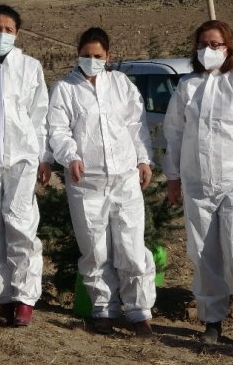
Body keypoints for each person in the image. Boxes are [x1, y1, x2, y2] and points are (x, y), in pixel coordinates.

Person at [162, 20, 233, 346]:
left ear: (229, 47)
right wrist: (173, 178)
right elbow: (174, 134)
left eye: (216, 44)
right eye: (204, 44)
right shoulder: (188, 87)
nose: (209, 50)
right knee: (204, 256)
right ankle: (212, 321)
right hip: (197, 186)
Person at [47, 27, 156, 337]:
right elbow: (57, 130)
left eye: (98, 56)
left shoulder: (121, 85)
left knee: (132, 246)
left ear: (108, 57)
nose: (91, 60)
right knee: (95, 248)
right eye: (86, 55)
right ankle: (103, 309)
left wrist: (143, 159)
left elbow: (136, 125)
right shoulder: (65, 89)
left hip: (125, 178)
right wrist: (70, 156)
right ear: (77, 54)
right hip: (86, 182)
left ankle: (139, 312)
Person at [0, 4, 53, 327]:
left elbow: (39, 115)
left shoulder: (30, 67)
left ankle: (25, 297)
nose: (2, 34)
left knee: (21, 227)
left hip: (22, 160)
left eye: (8, 29)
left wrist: (43, 156)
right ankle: (2, 296)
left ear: (17, 34)